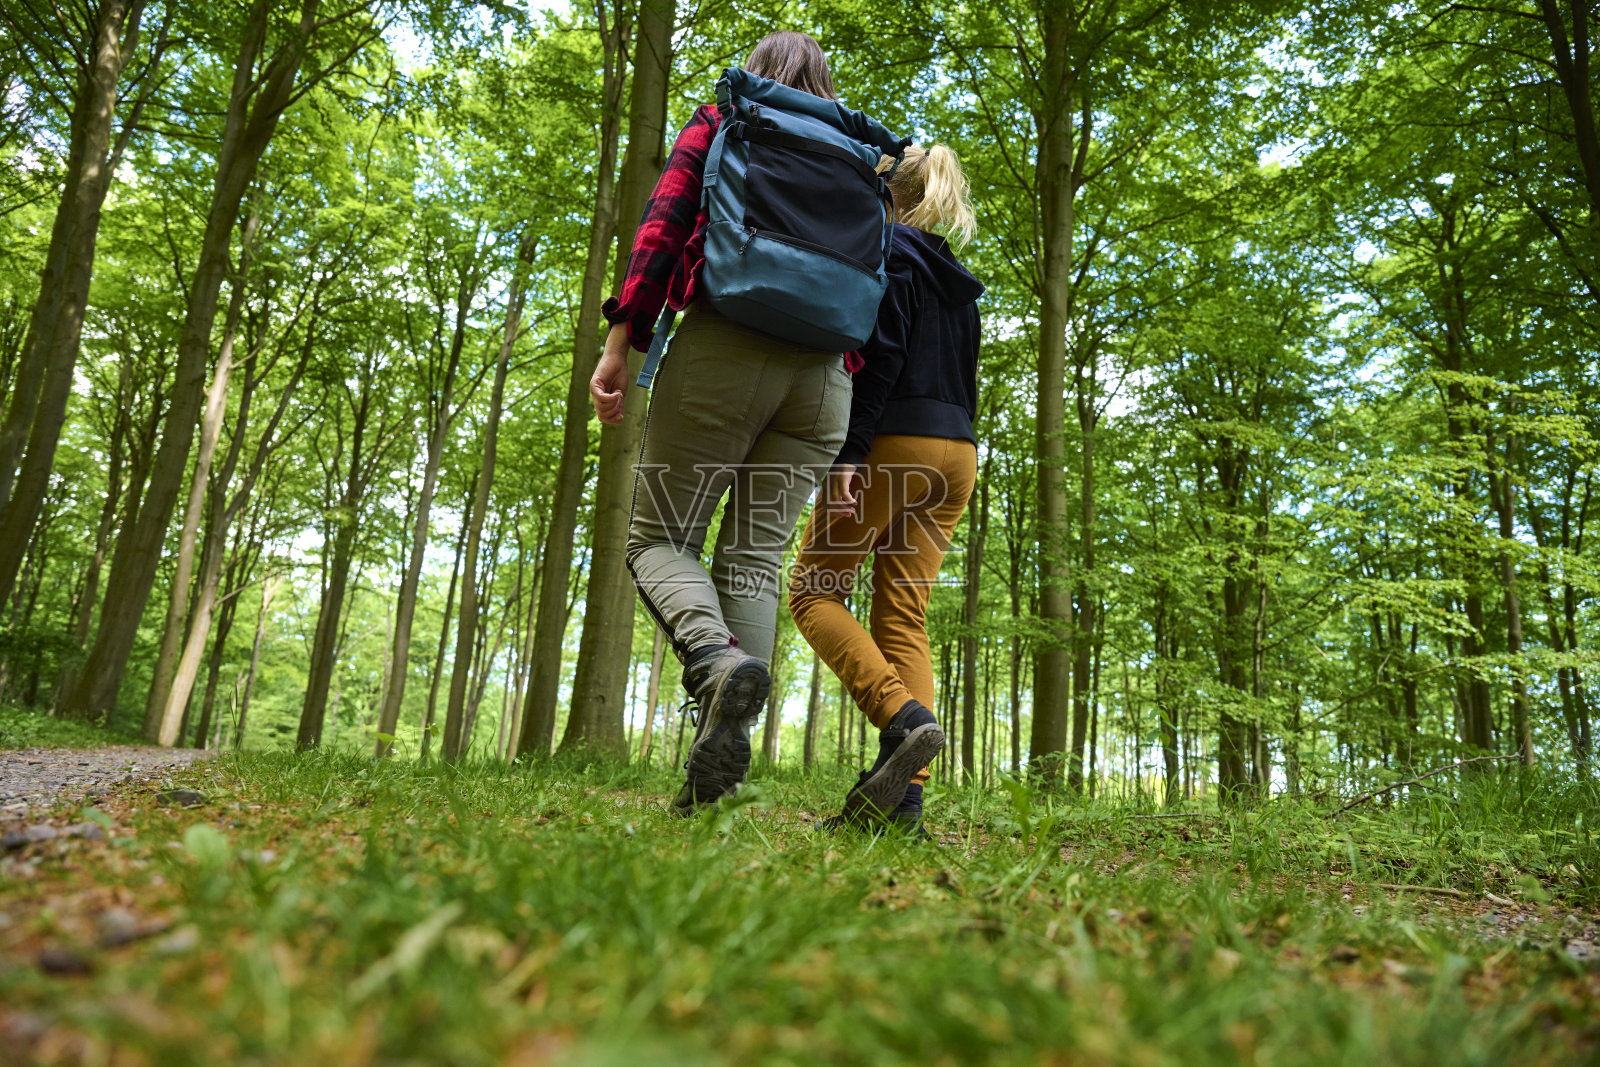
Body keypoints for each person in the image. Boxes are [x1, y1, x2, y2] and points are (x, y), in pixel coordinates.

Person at [591, 32, 870, 815]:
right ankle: (720, 785)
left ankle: (714, 662)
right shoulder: (859, 154)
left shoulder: (727, 116)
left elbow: (665, 224)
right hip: (827, 379)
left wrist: (621, 342)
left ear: (756, 71)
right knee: (752, 561)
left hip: (725, 342)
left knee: (659, 539)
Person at [788, 143, 982, 834]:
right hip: (957, 455)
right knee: (903, 616)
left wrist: (850, 451)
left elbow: (883, 359)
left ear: (884, 194)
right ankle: (904, 809)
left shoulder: (889, 254)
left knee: (813, 590)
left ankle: (901, 716)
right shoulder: (958, 281)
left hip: (894, 442)